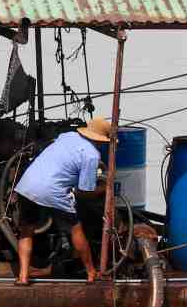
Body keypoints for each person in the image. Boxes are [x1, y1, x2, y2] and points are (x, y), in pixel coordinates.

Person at [10, 117, 114, 285]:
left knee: (26, 231)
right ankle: (91, 273)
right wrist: (105, 186)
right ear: (103, 141)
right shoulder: (92, 155)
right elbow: (85, 191)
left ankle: (22, 277)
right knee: (75, 229)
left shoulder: (68, 136)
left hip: (27, 185)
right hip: (52, 190)